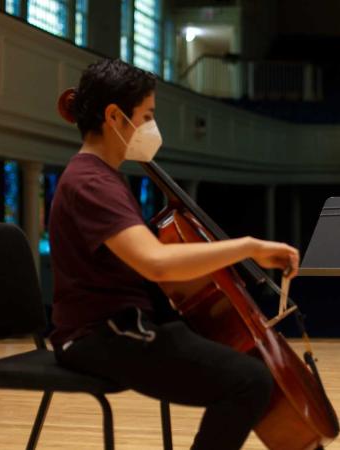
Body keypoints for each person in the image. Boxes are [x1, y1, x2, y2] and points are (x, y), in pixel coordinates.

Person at [49, 58, 300, 450]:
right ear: (115, 116)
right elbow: (154, 261)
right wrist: (248, 247)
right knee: (248, 381)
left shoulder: (102, 177)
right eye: (146, 115)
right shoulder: (90, 183)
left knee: (246, 370)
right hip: (101, 335)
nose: (151, 126)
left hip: (122, 326)